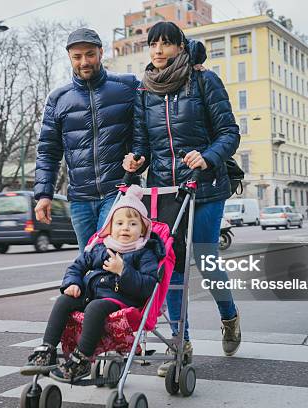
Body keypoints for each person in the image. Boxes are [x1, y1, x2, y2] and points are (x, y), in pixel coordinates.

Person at [122, 22, 241, 376]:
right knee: (169, 265)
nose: (158, 50)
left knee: (205, 257)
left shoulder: (204, 81)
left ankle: (229, 316)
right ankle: (180, 343)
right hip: (167, 191)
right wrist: (136, 159)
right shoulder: (145, 92)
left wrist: (207, 156)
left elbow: (229, 133)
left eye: (166, 43)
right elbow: (141, 142)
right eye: (153, 43)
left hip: (206, 186)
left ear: (180, 47)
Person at [20, 185, 164, 383]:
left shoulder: (144, 253)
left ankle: (82, 359)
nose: (125, 228)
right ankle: (47, 350)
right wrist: (73, 283)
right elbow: (76, 267)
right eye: (119, 223)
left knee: (95, 307)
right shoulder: (100, 249)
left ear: (143, 229)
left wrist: (123, 271)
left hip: (120, 299)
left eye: (132, 224)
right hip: (90, 293)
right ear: (110, 228)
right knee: (64, 300)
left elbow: (148, 285)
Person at [33, 28, 138, 252]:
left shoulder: (126, 87)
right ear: (70, 58)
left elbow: (147, 126)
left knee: (106, 254)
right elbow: (48, 152)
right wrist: (44, 195)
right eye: (77, 57)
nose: (84, 62)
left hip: (118, 191)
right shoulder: (58, 99)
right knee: (88, 260)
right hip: (80, 199)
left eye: (90, 54)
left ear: (101, 53)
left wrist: (138, 157)